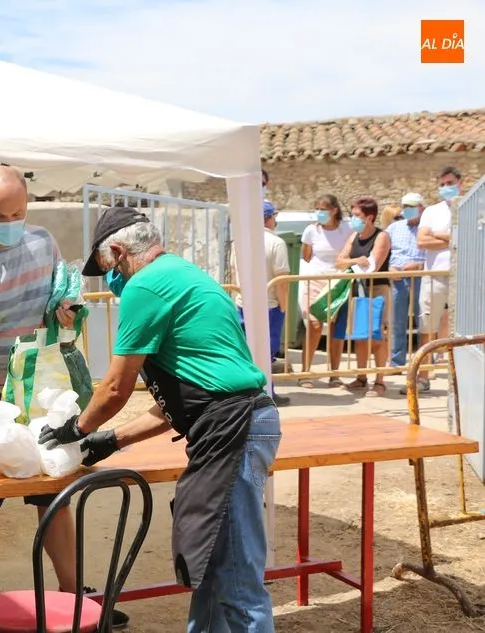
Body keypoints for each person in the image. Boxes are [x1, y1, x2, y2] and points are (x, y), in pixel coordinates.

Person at [39, 206, 281, 632]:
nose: (112, 281)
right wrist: (111, 440)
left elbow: (115, 388)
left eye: (108, 269)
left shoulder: (145, 285)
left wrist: (76, 430)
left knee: (237, 580)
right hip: (235, 421)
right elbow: (185, 401)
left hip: (232, 429)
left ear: (119, 252)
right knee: (212, 566)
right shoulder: (186, 275)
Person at [0, 167, 130, 629]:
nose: (11, 221)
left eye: (18, 213)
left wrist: (66, 309)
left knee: (54, 491)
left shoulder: (43, 241)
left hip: (43, 390)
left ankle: (74, 592)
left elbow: (58, 296)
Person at [230, 200, 290, 406]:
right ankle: (264, 391)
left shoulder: (239, 242)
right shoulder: (276, 243)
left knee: (245, 350)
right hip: (269, 305)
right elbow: (281, 279)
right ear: (269, 219)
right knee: (266, 351)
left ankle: (246, 392)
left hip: (243, 303)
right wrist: (284, 305)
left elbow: (234, 272)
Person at [334, 197, 392, 397]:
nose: (353, 219)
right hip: (357, 289)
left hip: (377, 289)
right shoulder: (354, 236)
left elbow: (373, 265)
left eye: (357, 215)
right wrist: (356, 260)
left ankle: (380, 381)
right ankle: (361, 377)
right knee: (359, 335)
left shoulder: (381, 236)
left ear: (370, 217)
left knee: (377, 336)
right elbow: (339, 261)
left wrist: (354, 262)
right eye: (352, 215)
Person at [297, 194, 353, 387]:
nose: (319, 213)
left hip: (338, 282)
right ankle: (305, 372)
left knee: (337, 329)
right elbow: (306, 256)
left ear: (334, 210)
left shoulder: (347, 228)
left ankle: (334, 374)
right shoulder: (311, 230)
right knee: (314, 326)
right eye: (317, 209)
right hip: (314, 280)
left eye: (323, 209)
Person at [415, 166, 461, 393]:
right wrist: (453, 239)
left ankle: (460, 379)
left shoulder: (470, 207)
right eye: (442, 184)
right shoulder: (431, 212)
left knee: (463, 330)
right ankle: (423, 377)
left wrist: (437, 235)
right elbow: (422, 241)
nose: (446, 188)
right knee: (427, 327)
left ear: (460, 183)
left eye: (450, 183)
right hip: (434, 276)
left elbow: (470, 239)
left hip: (461, 276)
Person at [386, 193, 426, 375]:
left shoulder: (427, 227)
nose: (407, 210)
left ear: (421, 208)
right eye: (405, 206)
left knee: (423, 321)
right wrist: (389, 268)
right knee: (397, 321)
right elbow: (383, 250)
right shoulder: (394, 228)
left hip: (422, 277)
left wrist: (419, 265)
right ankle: (396, 362)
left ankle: (423, 363)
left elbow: (435, 254)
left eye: (412, 206)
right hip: (398, 279)